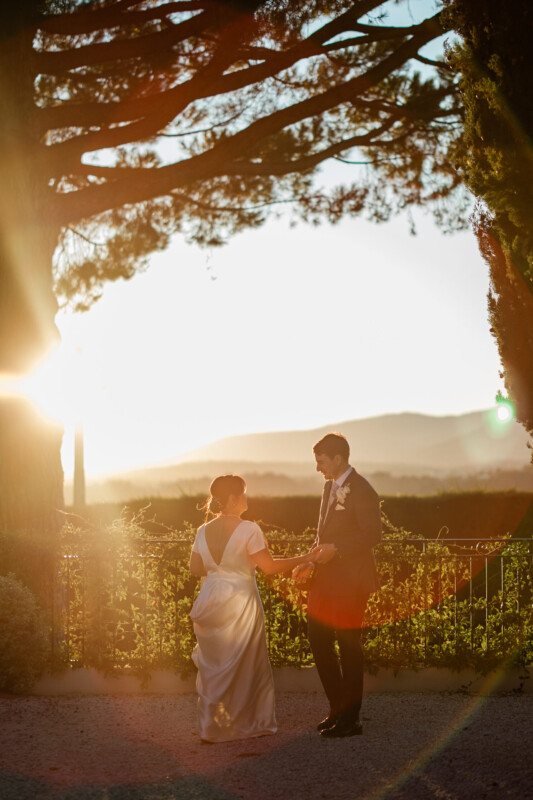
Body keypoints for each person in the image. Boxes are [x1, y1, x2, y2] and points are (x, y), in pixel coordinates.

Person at [189, 473, 320, 743]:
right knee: (245, 662)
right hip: (240, 599)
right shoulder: (249, 529)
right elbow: (269, 567)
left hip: (211, 597)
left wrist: (219, 570)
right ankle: (246, 724)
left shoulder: (202, 531)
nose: (247, 498)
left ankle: (213, 727)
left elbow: (194, 569)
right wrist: (307, 557)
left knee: (216, 664)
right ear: (233, 498)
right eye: (244, 493)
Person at [293, 432, 382, 738]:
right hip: (325, 579)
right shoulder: (329, 487)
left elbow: (373, 535)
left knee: (349, 646)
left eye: (321, 461)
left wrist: (339, 551)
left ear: (338, 458)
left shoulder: (362, 489)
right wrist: (310, 560)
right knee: (316, 636)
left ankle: (350, 720)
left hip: (352, 581)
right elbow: (323, 534)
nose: (318, 468)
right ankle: (336, 708)